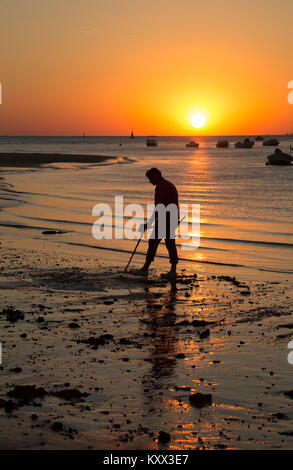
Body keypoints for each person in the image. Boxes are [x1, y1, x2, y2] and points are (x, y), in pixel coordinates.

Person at [133, 168, 179, 279]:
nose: (150, 181)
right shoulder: (169, 184)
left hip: (165, 220)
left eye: (150, 178)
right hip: (172, 219)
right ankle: (172, 271)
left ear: (156, 175)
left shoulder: (161, 187)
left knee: (154, 243)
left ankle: (145, 269)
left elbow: (159, 208)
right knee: (170, 244)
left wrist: (149, 223)